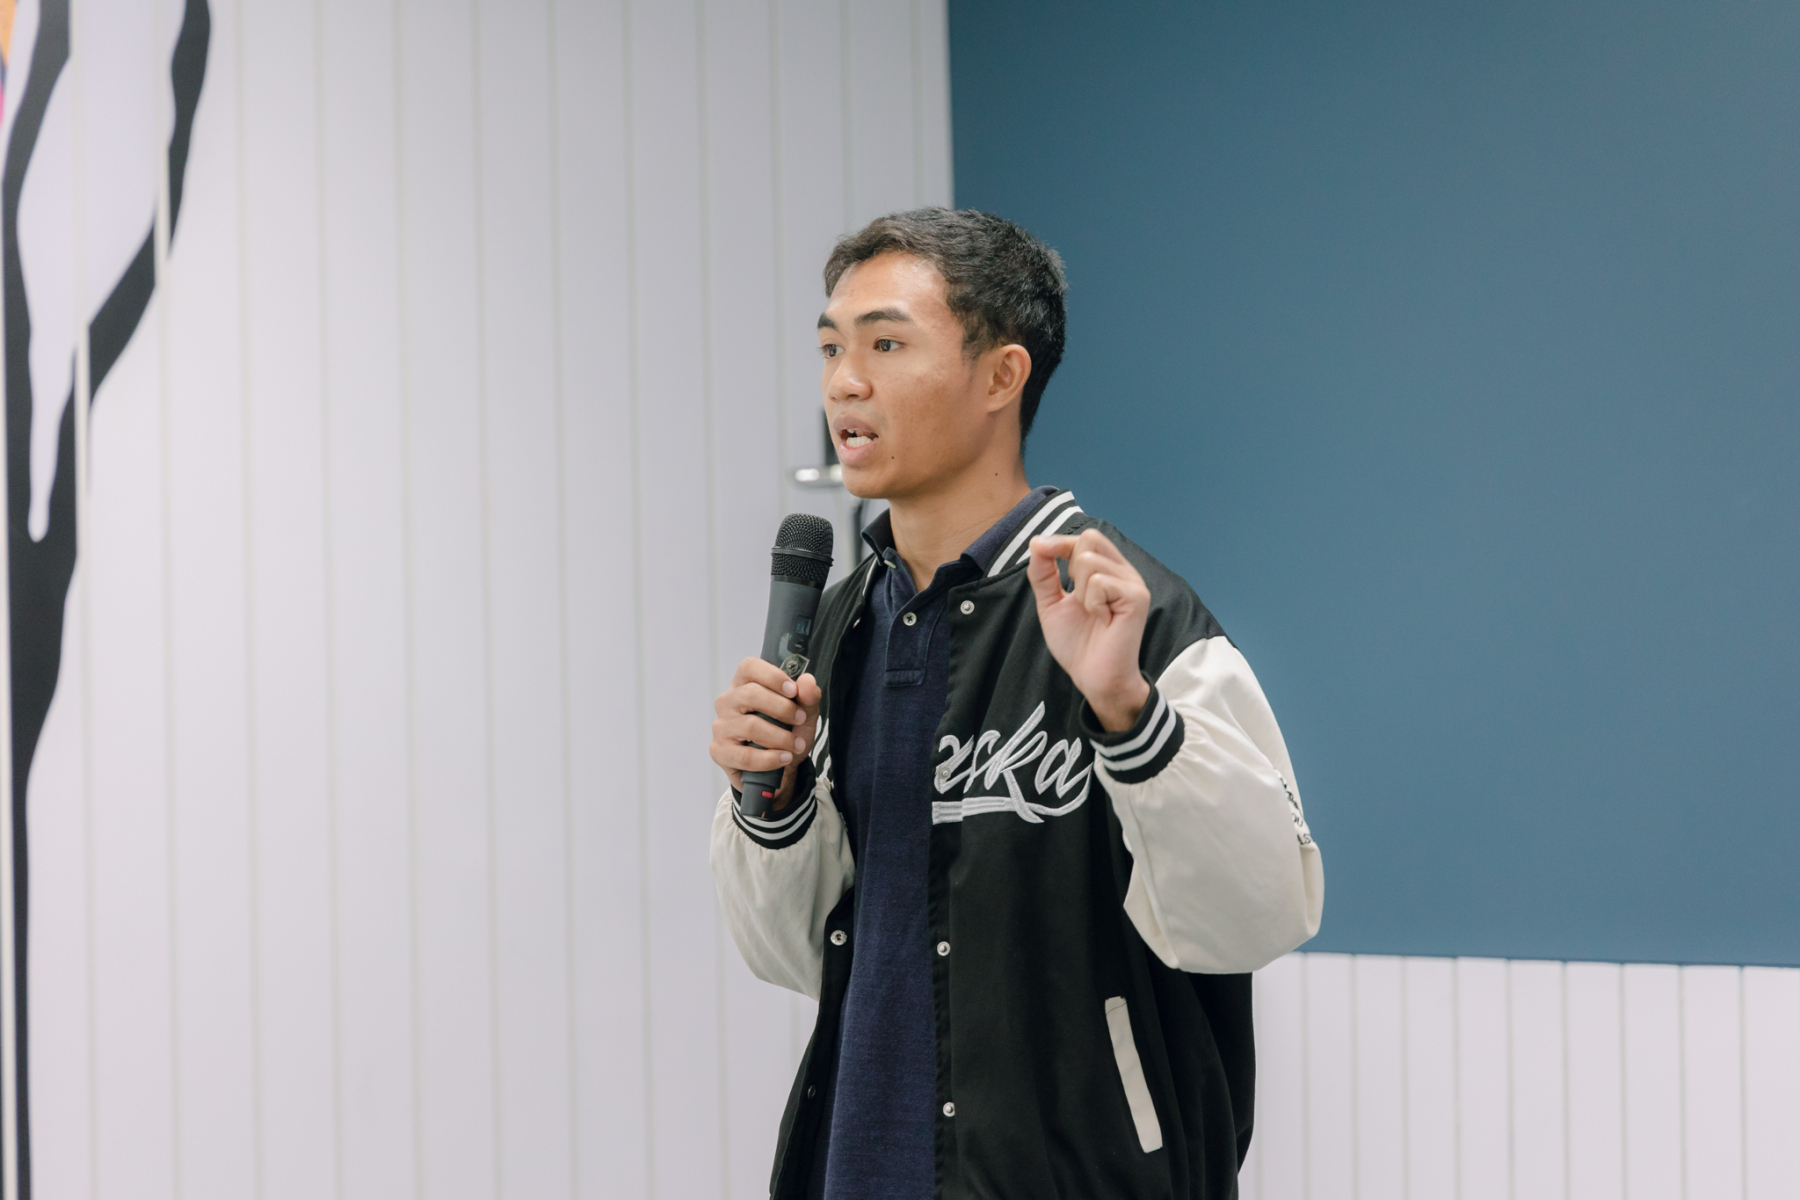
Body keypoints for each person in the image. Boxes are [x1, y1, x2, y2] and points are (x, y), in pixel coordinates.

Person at [708, 208, 1323, 1200]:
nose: (844, 382)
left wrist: (1132, 718)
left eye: (886, 345)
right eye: (830, 348)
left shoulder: (1139, 617)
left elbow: (1256, 916)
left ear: (1001, 376)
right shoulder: (839, 627)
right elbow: (797, 956)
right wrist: (769, 805)